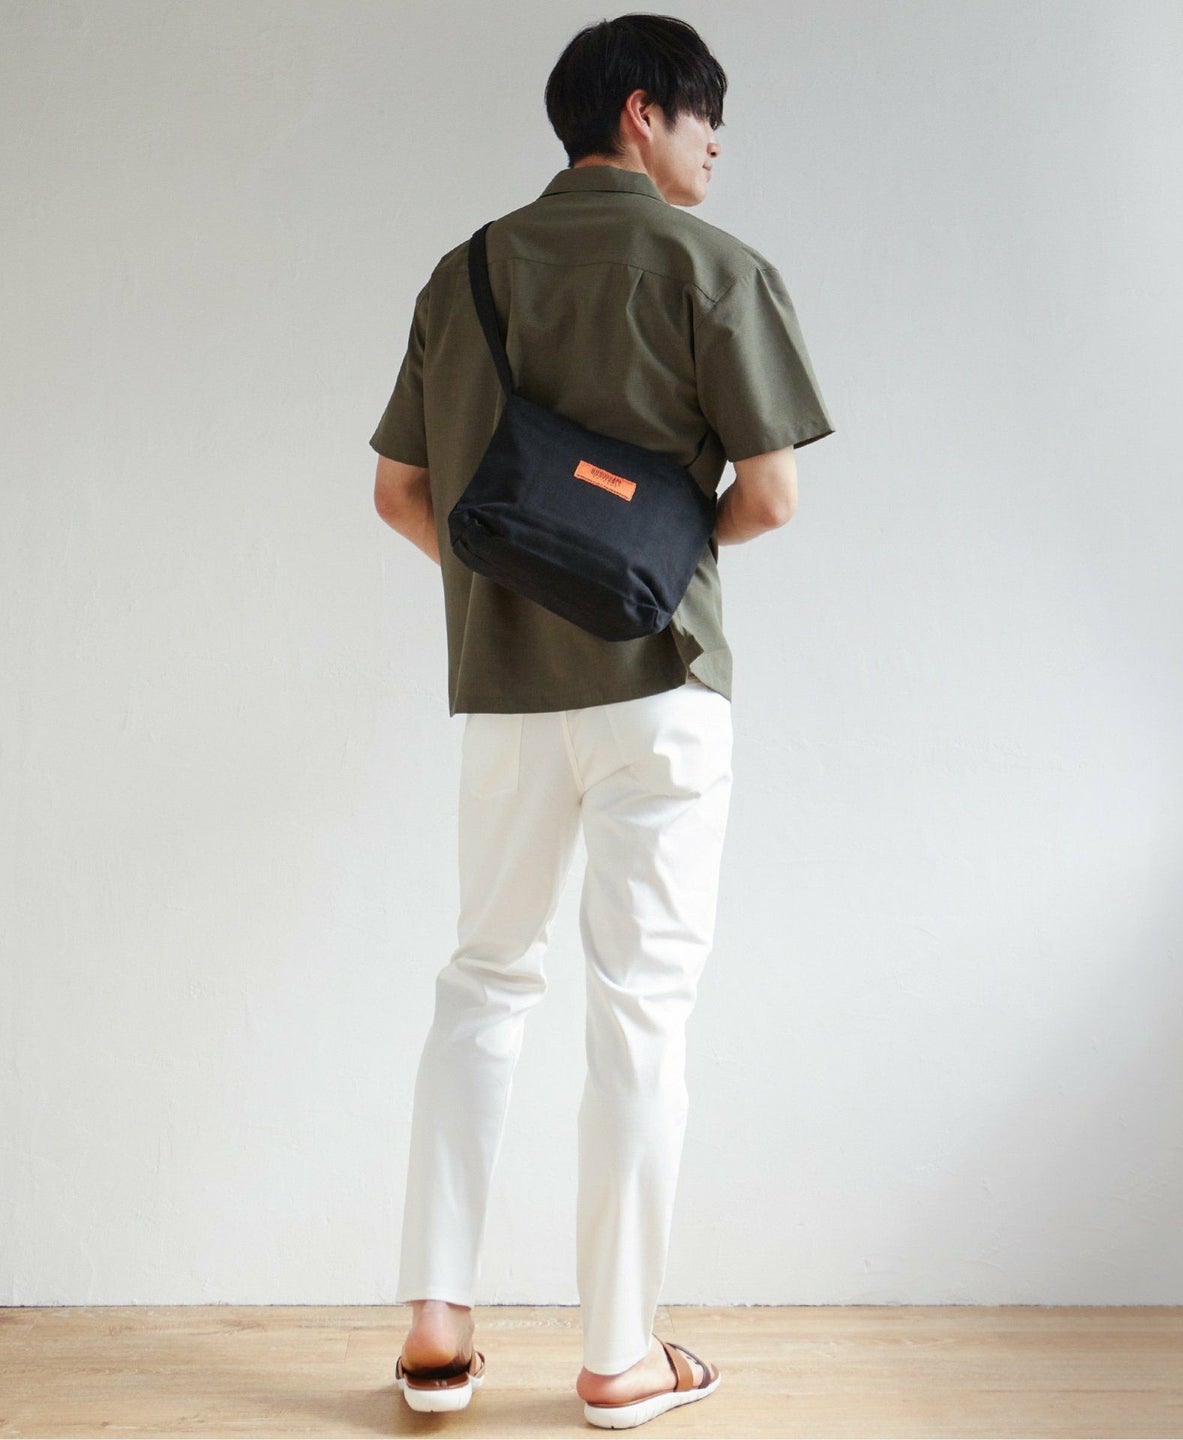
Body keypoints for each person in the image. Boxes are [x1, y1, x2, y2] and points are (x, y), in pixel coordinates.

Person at [369, 13, 835, 1429]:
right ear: (642, 112)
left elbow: (401, 495)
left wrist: (521, 578)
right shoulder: (715, 269)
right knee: (640, 1012)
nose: (715, 145)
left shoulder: (463, 273)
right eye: (705, 117)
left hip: (506, 696)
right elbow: (770, 496)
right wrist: (634, 568)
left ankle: (436, 1328)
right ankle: (618, 1354)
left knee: (481, 981)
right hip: (662, 690)